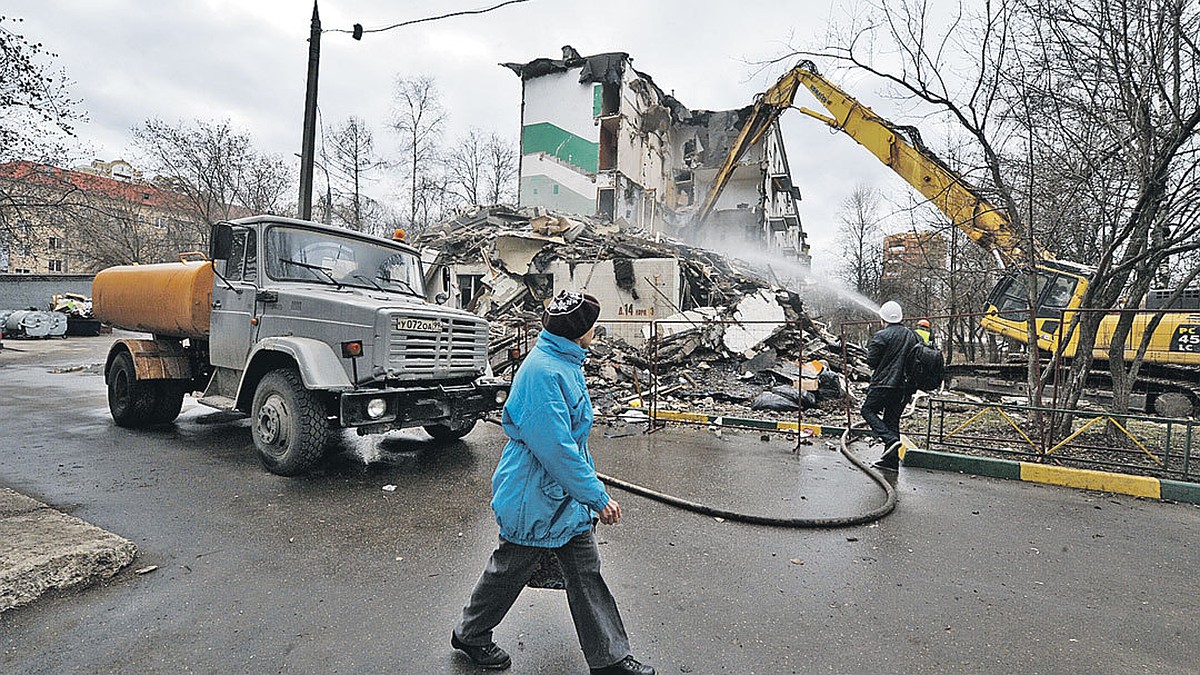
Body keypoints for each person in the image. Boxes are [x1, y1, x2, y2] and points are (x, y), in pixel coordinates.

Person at [452, 290, 655, 675]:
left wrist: (583, 493)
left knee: (585, 572)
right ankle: (470, 633)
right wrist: (596, 497)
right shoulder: (543, 372)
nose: (597, 331)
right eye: (593, 326)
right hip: (534, 496)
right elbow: (557, 449)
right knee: (508, 571)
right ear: (579, 332)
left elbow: (570, 443)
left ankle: (610, 659)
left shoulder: (563, 360)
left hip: (562, 496)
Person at [861, 300, 918, 472]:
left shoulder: (881, 336)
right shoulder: (913, 335)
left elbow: (871, 362)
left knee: (867, 410)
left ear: (883, 319)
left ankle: (889, 440)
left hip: (884, 384)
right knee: (892, 421)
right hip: (904, 388)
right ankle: (890, 462)